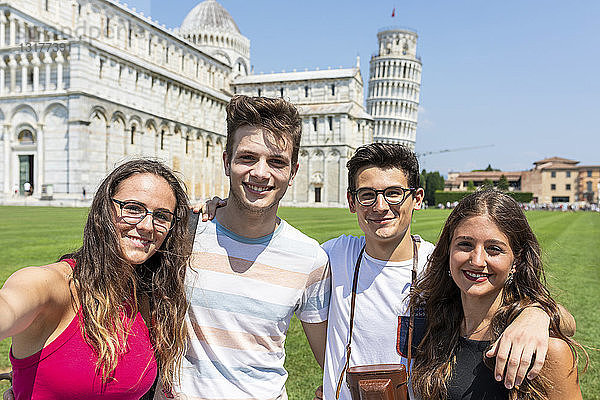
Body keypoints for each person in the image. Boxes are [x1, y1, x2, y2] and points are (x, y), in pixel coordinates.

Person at [199, 143, 566, 400]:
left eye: (394, 193)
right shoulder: (328, 257)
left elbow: (558, 318)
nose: (380, 207)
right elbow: (266, 249)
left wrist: (535, 315)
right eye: (367, 195)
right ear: (351, 201)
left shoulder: (445, 264)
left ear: (416, 199)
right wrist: (218, 210)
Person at [156, 95, 330, 400]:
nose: (260, 173)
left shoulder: (310, 258)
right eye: (247, 158)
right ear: (227, 162)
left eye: (276, 161)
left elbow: (331, 360)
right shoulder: (183, 232)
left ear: (293, 172)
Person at [0, 159, 190, 399]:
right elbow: (9, 305)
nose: (147, 225)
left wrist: (217, 210)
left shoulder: (148, 298)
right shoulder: (52, 286)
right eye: (132, 208)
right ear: (105, 210)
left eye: (162, 215)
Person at [410, 189, 587, 400]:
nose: (477, 260)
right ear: (448, 250)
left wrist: (539, 313)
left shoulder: (548, 352)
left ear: (517, 261)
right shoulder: (434, 326)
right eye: (465, 244)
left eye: (494, 249)